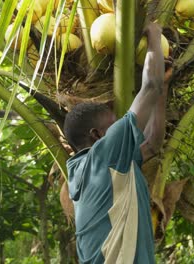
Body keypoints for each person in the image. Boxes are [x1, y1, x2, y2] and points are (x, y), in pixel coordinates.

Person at [63, 22, 170, 263]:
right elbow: (149, 86)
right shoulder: (104, 156)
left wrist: (163, 87)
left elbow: (152, 143)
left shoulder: (95, 170)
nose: (120, 128)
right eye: (113, 124)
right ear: (97, 135)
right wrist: (154, 35)